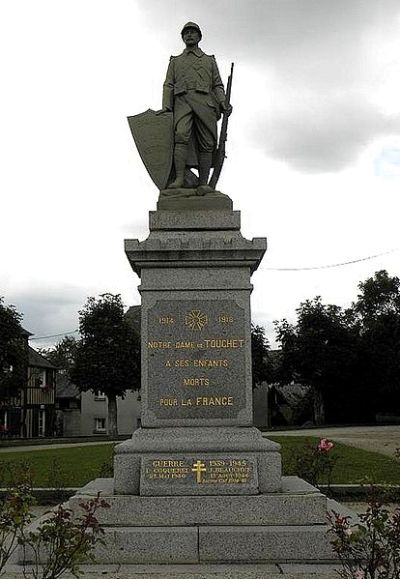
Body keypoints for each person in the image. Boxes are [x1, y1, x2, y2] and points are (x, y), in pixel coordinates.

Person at [161, 22, 232, 190]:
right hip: (183, 102)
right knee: (181, 136)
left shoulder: (209, 60)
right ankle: (179, 178)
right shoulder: (175, 61)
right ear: (183, 37)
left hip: (205, 103)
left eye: (193, 32)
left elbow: (217, 85)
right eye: (186, 33)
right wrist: (166, 106)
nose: (189, 35)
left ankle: (203, 183)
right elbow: (168, 84)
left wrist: (222, 101)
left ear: (199, 36)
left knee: (207, 142)